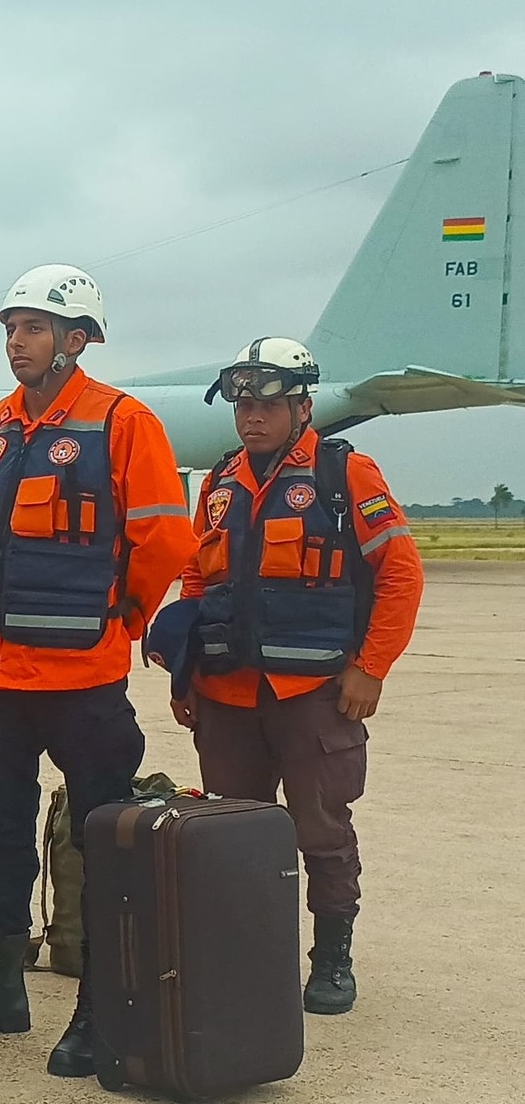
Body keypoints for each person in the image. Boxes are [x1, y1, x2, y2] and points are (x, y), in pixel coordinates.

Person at [0, 265, 195, 1077]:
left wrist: (121, 618)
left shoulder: (122, 421)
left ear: (77, 340)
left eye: (36, 327)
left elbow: (164, 542)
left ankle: (98, 1007)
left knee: (97, 842)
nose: (17, 341)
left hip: (81, 678)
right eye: (10, 326)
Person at [169, 338, 423, 1015]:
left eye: (266, 404)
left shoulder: (347, 476)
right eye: (242, 403)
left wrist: (370, 667)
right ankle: (249, 956)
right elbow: (198, 578)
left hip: (312, 693)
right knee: (234, 833)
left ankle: (330, 957)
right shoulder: (219, 484)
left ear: (302, 407)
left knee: (321, 830)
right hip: (225, 694)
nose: (250, 416)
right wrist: (185, 675)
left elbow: (399, 571)